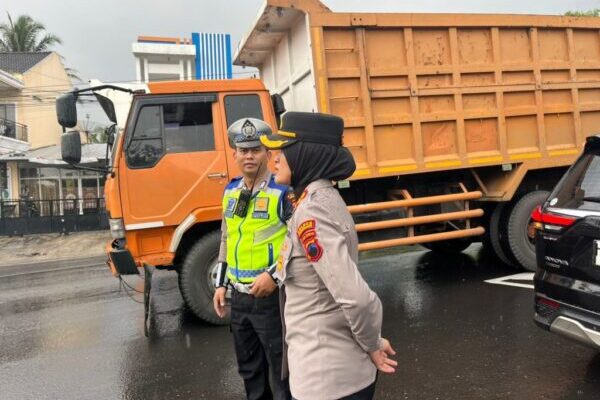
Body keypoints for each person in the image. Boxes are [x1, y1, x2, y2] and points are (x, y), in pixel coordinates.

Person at [260, 112, 397, 400]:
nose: (272, 161)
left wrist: (373, 343)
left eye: (280, 153)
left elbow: (357, 298)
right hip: (337, 373)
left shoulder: (312, 212)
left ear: (303, 155)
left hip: (327, 381)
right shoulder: (317, 199)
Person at [213, 117, 293, 400]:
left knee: (282, 373)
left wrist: (273, 275)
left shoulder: (283, 193)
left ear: (268, 154)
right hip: (240, 298)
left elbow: (297, 243)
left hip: (271, 298)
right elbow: (226, 239)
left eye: (256, 149)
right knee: (250, 373)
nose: (249, 155)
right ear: (234, 154)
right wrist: (221, 285)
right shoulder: (230, 192)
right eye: (243, 150)